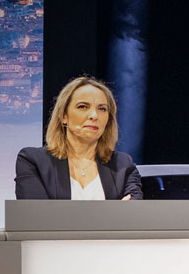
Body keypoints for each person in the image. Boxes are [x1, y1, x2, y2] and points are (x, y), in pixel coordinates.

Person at [14, 76, 143, 200]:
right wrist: (115, 211)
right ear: (64, 116)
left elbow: (132, 211)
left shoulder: (123, 164)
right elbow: (36, 213)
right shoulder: (33, 161)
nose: (94, 115)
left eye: (102, 109)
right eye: (83, 107)